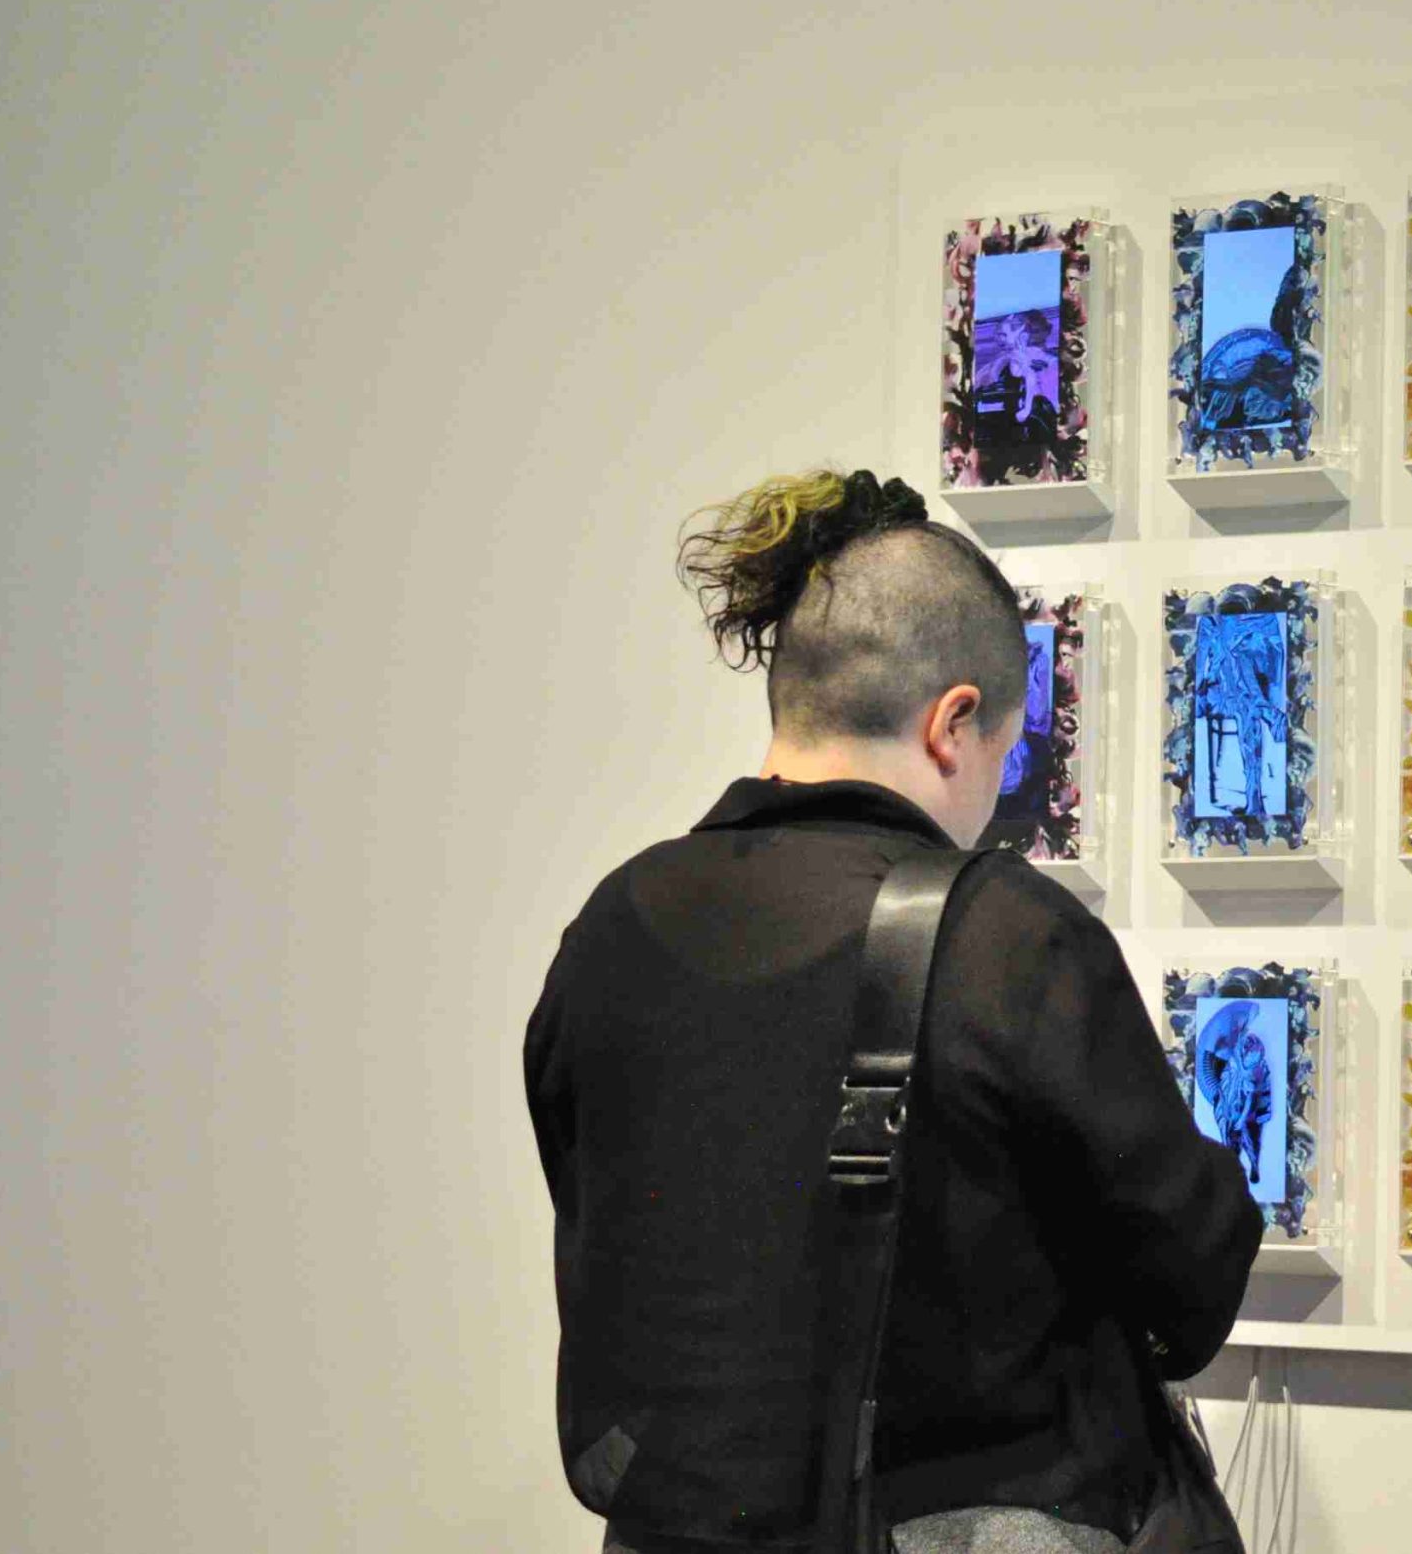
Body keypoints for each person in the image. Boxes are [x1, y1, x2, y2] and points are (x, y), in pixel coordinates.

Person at [524, 467, 1261, 1554]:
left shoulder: (613, 924)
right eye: (1004, 759)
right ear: (953, 721)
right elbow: (1190, 1281)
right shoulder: (1009, 935)